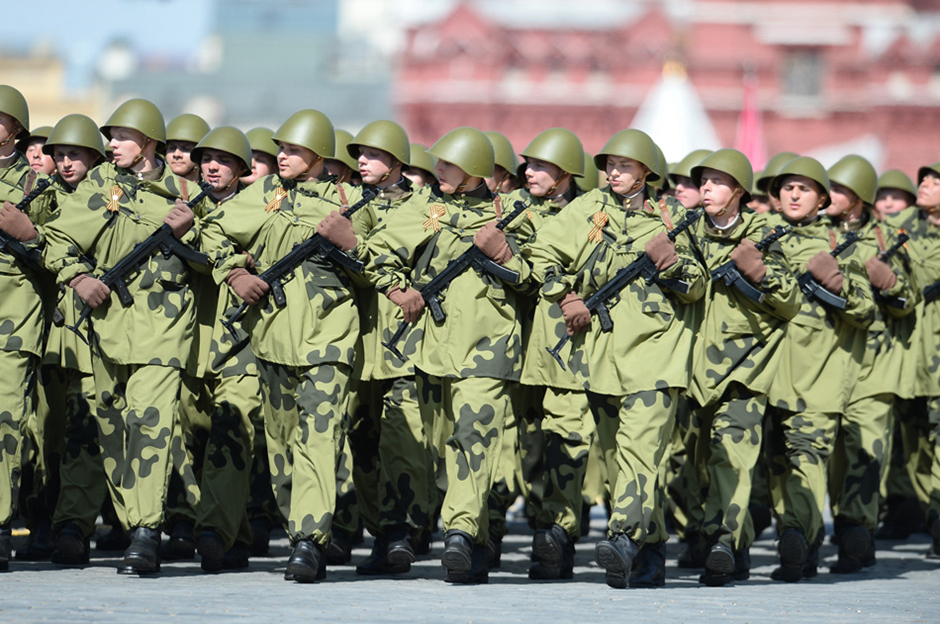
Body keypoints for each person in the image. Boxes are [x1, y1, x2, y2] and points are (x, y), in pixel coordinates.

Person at [523, 128, 705, 588]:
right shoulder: (588, 208)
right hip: (601, 358)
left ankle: (623, 537)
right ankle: (650, 554)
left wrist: (673, 266)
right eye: (609, 165)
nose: (614, 173)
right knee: (618, 457)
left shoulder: (675, 216)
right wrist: (564, 296)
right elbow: (543, 250)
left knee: (641, 453)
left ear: (647, 171)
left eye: (624, 166)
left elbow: (699, 285)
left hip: (656, 352)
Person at [364, 126, 533, 584]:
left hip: (489, 346)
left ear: (474, 169)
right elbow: (377, 252)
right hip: (431, 347)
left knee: (473, 436)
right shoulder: (424, 206)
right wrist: (400, 291)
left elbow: (538, 277)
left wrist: (507, 255)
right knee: (442, 447)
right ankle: (473, 541)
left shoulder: (514, 213)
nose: (436, 170)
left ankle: (459, 531)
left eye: (447, 165)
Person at [200, 109, 362, 583]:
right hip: (271, 340)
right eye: (281, 150)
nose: (282, 157)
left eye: (292, 150)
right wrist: (235, 272)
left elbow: (388, 268)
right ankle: (300, 528)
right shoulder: (264, 197)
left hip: (328, 340)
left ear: (317, 156)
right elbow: (212, 230)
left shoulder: (351, 202)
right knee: (284, 446)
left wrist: (352, 244)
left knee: (318, 438)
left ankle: (308, 541)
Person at [41, 98, 198, 576]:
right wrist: (77, 276)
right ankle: (133, 520)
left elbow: (220, 257)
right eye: (110, 137)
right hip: (106, 329)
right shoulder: (98, 189)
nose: (112, 145)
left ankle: (146, 532)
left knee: (151, 424)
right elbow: (59, 239)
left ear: (149, 142)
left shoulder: (187, 194)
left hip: (163, 328)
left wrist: (189, 233)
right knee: (110, 429)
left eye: (123, 137)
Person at [685, 149, 798, 586]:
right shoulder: (688, 231)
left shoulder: (765, 235)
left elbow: (790, 302)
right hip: (690, 368)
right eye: (703, 181)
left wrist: (762, 274)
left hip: (744, 368)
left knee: (730, 460)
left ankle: (723, 544)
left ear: (738, 191)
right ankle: (737, 542)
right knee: (697, 465)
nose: (706, 189)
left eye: (716, 181)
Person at [764, 156, 875, 582]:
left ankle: (797, 539)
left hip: (816, 375)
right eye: (787, 187)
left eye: (804, 189)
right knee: (776, 467)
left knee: (805, 460)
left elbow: (864, 310)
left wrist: (838, 282)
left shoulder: (840, 244)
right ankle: (797, 541)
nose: (793, 195)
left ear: (822, 200)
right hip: (764, 373)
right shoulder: (763, 237)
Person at [339, 120, 436, 576]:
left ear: (397, 162)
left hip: (406, 340)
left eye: (372, 155)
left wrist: (355, 246)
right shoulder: (349, 204)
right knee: (361, 439)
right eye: (359, 154)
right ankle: (379, 528)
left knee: (403, 441)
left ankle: (402, 532)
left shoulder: (426, 208)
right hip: (355, 341)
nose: (361, 161)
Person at [502, 127, 589, 581]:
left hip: (565, 347)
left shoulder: (588, 215)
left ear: (565, 173)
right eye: (528, 165)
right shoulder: (513, 210)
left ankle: (557, 534)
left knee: (565, 441)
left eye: (540, 166)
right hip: (513, 348)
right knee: (524, 445)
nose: (529, 172)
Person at [824, 155, 915, 573]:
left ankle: (856, 531)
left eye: (840, 190)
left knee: (866, 451)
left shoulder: (888, 241)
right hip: (824, 361)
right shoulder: (817, 235)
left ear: (859, 198)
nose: (831, 196)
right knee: (832, 456)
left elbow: (907, 301)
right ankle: (838, 523)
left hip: (873, 364)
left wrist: (890, 282)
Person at [180, 126, 261, 573]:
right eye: (206, 158)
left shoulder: (260, 210)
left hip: (240, 342)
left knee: (232, 432)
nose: (212, 166)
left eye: (223, 160)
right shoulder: (181, 207)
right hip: (188, 339)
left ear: (242, 169)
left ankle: (212, 531)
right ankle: (236, 535)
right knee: (196, 434)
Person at [30, 114, 109, 566]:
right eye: (58, 155)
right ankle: (43, 517)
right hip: (47, 332)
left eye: (74, 154)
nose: (64, 162)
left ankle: (71, 526)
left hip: (93, 331)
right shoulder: (41, 195)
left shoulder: (109, 199)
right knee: (44, 433)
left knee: (84, 432)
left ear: (94, 158)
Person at [0, 85, 55, 572]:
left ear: (17, 128)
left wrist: (29, 235)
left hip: (14, 316)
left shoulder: (37, 184)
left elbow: (57, 255)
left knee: (5, 421)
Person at [888, 161, 940, 560]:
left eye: (935, 181)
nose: (925, 184)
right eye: (923, 179)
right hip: (908, 354)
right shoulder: (897, 228)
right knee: (915, 447)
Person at [165, 113, 210, 182]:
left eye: (186, 149)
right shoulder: (152, 188)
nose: (176, 154)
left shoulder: (210, 191)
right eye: (172, 148)